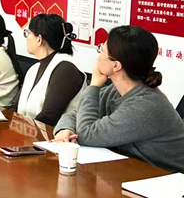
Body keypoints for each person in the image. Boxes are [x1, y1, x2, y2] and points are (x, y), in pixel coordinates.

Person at [53, 26, 184, 173]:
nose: (97, 57)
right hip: (134, 172)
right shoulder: (116, 90)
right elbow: (76, 113)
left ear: (116, 65)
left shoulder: (144, 106)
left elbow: (86, 134)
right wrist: (66, 129)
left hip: (168, 180)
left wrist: (94, 85)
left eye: (101, 50)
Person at [17, 14, 87, 128]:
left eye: (28, 33)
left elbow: (49, 117)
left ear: (39, 39)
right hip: (27, 131)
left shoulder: (66, 68)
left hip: (53, 135)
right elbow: (15, 106)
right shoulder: (34, 69)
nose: (27, 38)